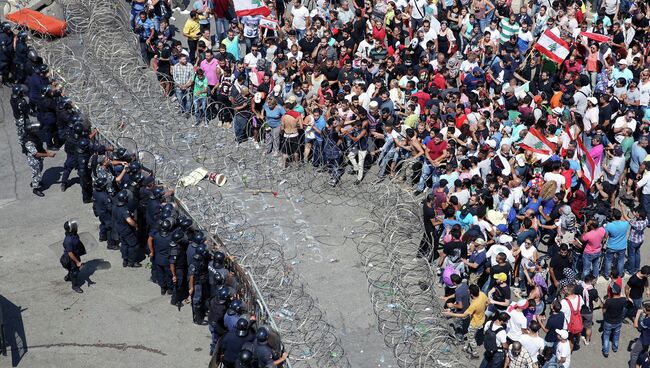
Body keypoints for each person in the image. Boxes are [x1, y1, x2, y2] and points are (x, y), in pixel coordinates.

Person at [443, 284, 488, 359]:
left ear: (471, 293)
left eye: (469, 290)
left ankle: (475, 354)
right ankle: (467, 348)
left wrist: (450, 313)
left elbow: (463, 315)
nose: (467, 290)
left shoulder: (474, 305)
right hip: (481, 319)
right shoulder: (482, 294)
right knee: (472, 335)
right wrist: (481, 309)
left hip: (475, 323)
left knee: (471, 338)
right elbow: (488, 303)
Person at [22, 121, 56, 197]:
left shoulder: (34, 136)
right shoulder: (29, 142)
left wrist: (46, 151)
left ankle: (36, 182)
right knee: (36, 173)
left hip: (38, 158)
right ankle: (35, 189)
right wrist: (48, 154)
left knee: (39, 170)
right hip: (33, 160)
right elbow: (36, 154)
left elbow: (39, 147)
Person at [112, 189, 141, 268]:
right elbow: (129, 221)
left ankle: (125, 260)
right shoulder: (124, 209)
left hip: (119, 227)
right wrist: (135, 225)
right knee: (134, 245)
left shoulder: (115, 206)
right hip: (126, 229)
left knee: (124, 244)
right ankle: (131, 262)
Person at [604, 209, 631, 278]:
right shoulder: (626, 224)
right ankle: (620, 274)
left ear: (613, 217)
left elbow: (605, 237)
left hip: (611, 246)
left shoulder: (609, 225)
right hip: (622, 246)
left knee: (608, 261)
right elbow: (626, 219)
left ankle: (607, 275)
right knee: (621, 261)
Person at [602, 283, 627, 358]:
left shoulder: (609, 301)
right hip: (618, 321)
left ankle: (606, 351)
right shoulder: (623, 300)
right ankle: (615, 348)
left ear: (612, 292)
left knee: (606, 335)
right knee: (616, 335)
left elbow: (604, 311)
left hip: (608, 321)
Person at [60, 220, 85, 294]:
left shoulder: (73, 234)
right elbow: (70, 253)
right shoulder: (69, 240)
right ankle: (75, 286)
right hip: (71, 258)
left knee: (72, 269)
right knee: (75, 271)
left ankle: (68, 277)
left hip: (75, 254)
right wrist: (77, 262)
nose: (76, 227)